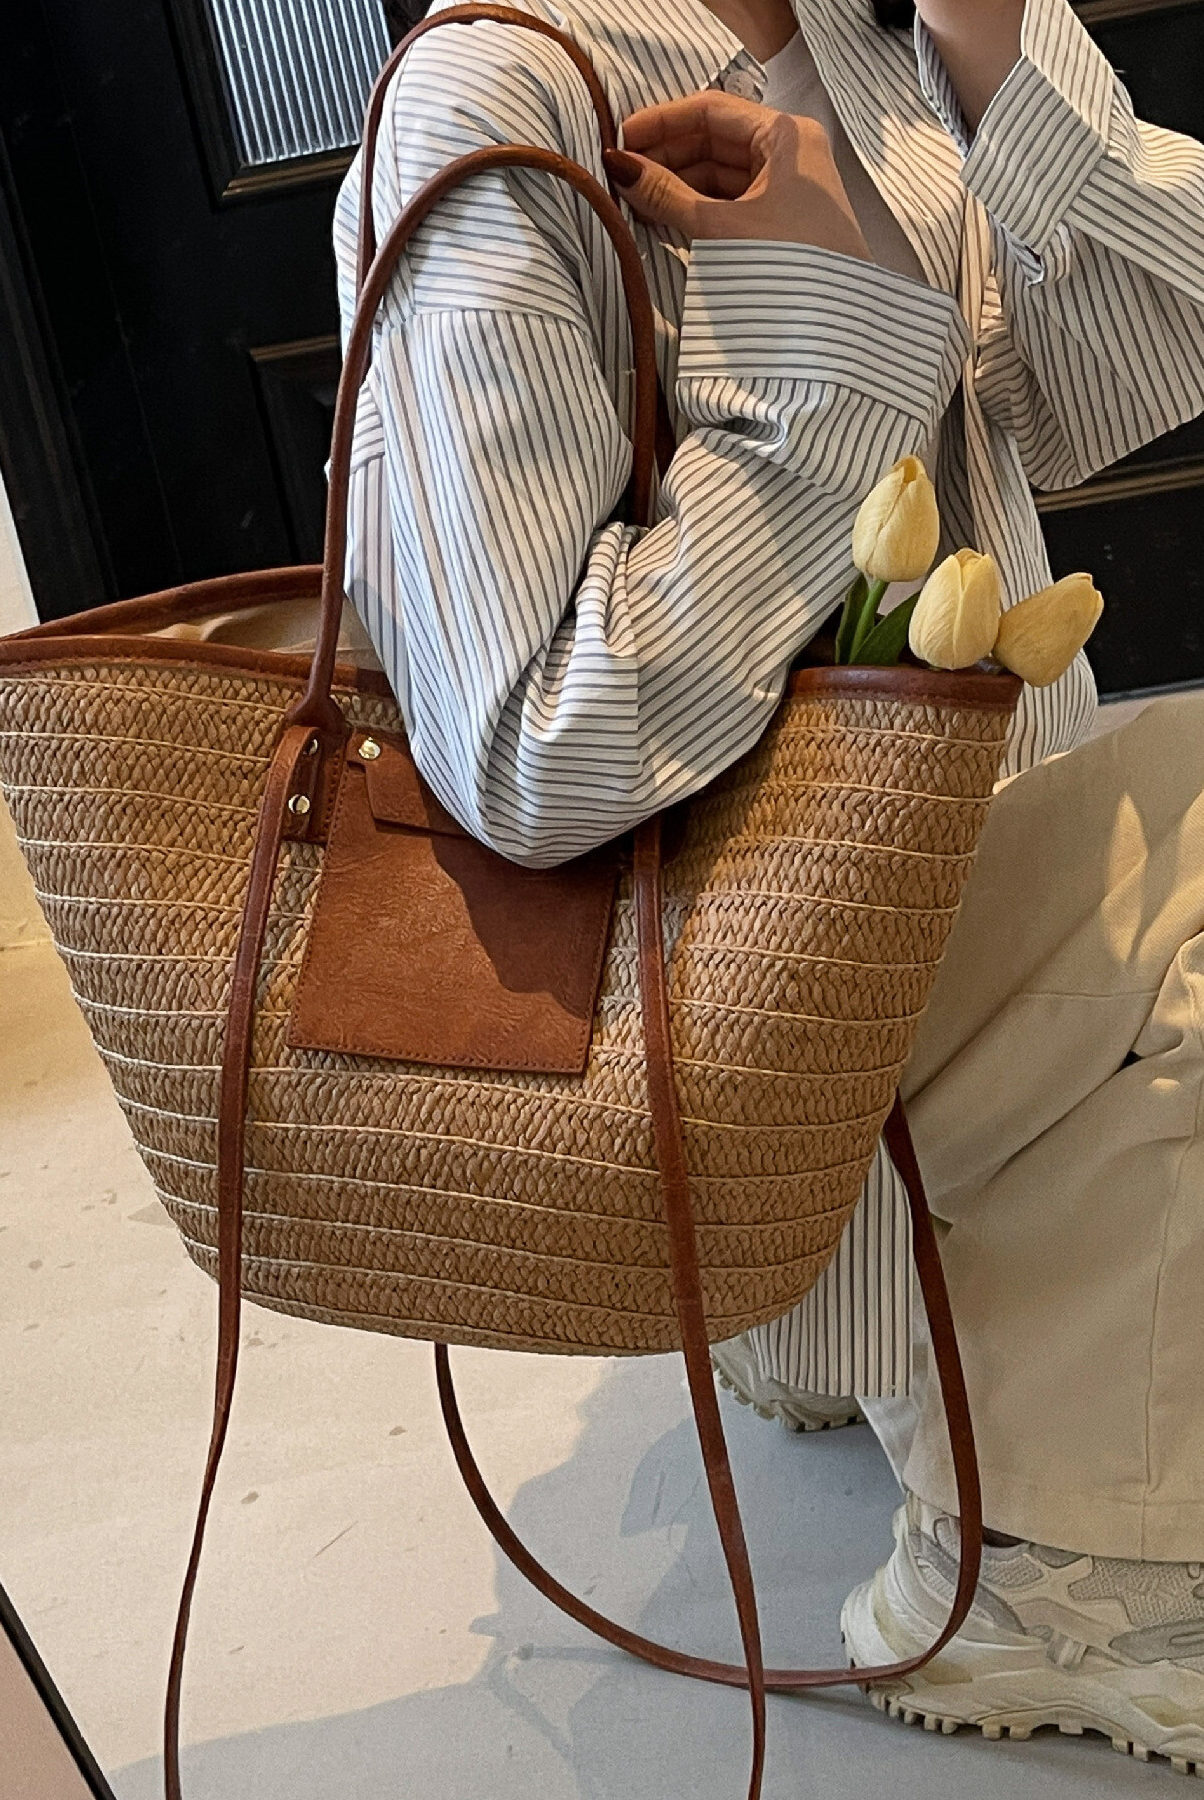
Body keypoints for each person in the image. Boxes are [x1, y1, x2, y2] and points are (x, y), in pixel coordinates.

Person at [331, 0, 1204, 1767]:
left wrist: (992, 51)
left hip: (952, 872)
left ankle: (860, 1313)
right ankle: (1048, 1571)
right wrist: (820, 363)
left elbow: (1126, 376)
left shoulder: (887, 32)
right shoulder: (498, 93)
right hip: (760, 971)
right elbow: (530, 758)